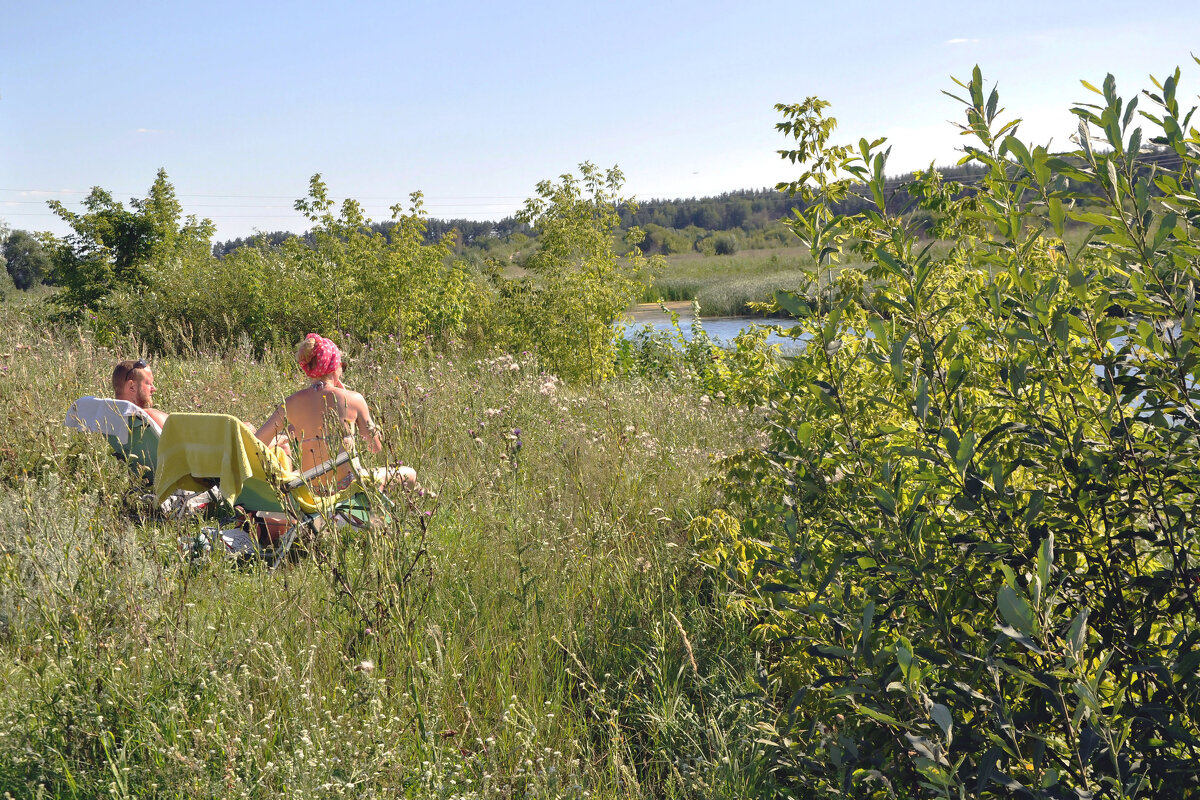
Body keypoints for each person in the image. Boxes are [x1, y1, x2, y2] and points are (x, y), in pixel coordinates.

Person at [255, 333, 416, 494]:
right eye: (341, 365)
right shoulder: (352, 399)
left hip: (310, 490)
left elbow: (257, 442)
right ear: (334, 366)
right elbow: (375, 446)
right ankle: (376, 517)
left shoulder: (290, 403)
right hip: (347, 487)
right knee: (409, 474)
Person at [112, 358, 169, 428]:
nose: (154, 389)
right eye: (148, 383)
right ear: (132, 387)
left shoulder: (107, 417)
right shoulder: (150, 417)